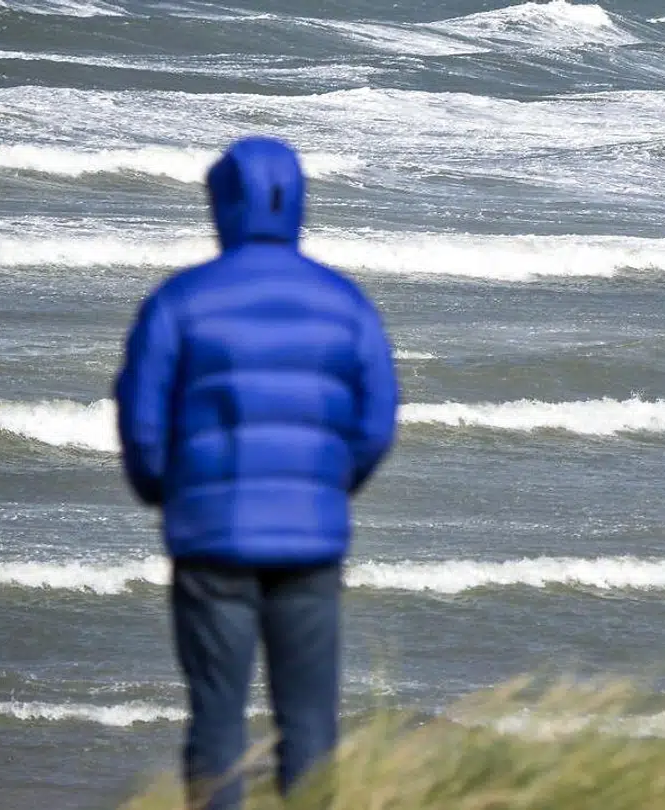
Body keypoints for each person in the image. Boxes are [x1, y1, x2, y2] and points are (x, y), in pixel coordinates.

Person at [114, 135, 400, 810]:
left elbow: (142, 422)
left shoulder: (178, 302)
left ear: (223, 204)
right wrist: (327, 492)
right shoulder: (346, 304)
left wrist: (171, 495)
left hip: (211, 540)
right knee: (309, 721)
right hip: (310, 541)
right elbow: (375, 422)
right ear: (296, 202)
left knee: (217, 720)